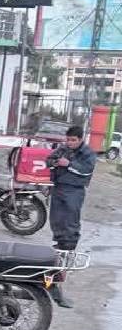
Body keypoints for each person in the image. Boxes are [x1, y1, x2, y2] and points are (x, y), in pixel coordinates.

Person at [45, 125, 96, 308]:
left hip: (74, 192)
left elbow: (86, 171)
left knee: (70, 232)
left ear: (81, 139)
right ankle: (52, 278)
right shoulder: (63, 149)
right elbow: (48, 160)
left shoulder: (88, 153)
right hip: (58, 190)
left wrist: (69, 164)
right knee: (58, 228)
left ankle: (58, 278)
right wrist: (54, 162)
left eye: (73, 140)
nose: (70, 143)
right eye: (68, 140)